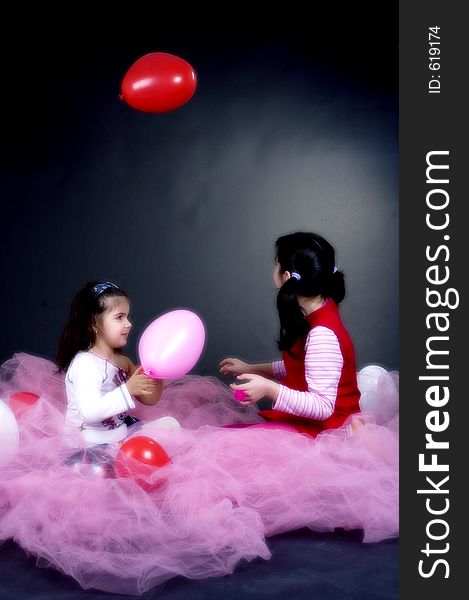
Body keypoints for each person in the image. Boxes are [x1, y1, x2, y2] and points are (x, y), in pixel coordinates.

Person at [220, 231, 361, 436]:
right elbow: (300, 367)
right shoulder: (317, 312)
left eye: (277, 264)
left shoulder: (322, 334)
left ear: (287, 276)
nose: (274, 270)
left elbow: (323, 406)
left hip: (322, 433)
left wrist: (270, 389)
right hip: (306, 425)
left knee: (227, 444)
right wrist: (251, 368)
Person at [56, 280, 180, 447]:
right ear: (94, 324)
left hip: (119, 431)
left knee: (170, 425)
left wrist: (159, 373)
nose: (128, 324)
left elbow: (149, 399)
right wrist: (128, 389)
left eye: (127, 316)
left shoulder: (123, 361)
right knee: (121, 458)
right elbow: (89, 412)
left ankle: (125, 446)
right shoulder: (86, 363)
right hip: (89, 440)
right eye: (119, 317)